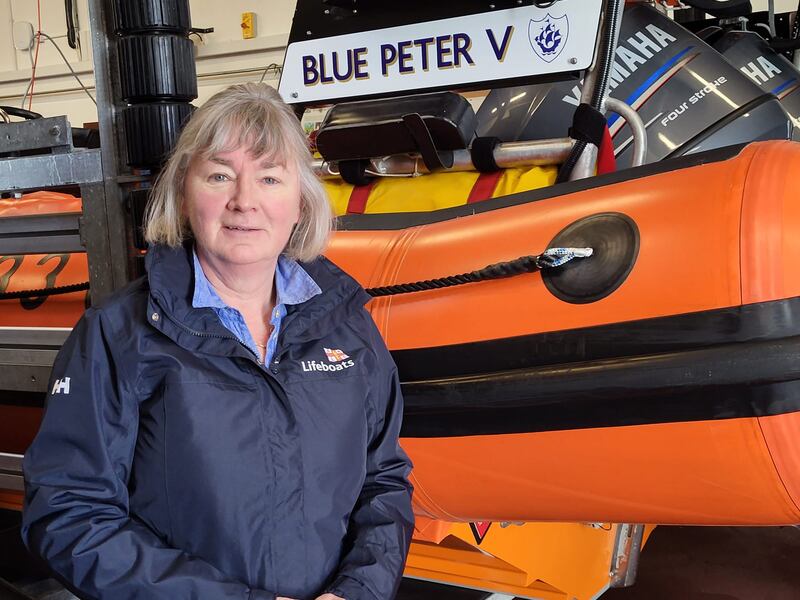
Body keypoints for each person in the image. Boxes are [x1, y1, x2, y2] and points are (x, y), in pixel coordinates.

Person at [21, 82, 414, 600]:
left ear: (299, 202)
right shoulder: (119, 336)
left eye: (270, 177)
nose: (244, 201)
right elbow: (69, 514)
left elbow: (384, 482)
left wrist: (359, 591)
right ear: (185, 196)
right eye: (220, 175)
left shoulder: (349, 330)